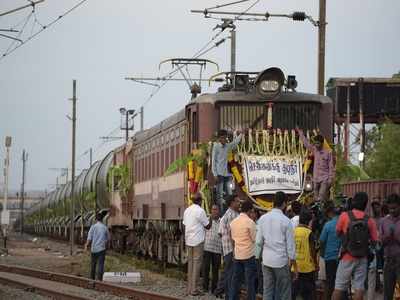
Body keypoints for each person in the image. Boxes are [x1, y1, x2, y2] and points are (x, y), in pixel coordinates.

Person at [332, 192, 378, 300]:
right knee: (359, 287)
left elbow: (337, 233)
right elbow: (375, 241)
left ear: (354, 201)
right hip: (362, 257)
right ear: (366, 204)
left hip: (346, 256)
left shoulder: (344, 216)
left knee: (339, 287)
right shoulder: (369, 220)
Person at [256, 191, 297, 300]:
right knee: (284, 292)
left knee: (268, 291)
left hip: (266, 260)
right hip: (281, 262)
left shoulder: (262, 219)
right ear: (284, 204)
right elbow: (290, 247)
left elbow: (259, 241)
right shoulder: (286, 221)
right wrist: (294, 266)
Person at [183, 192, 211, 296]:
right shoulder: (200, 211)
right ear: (200, 201)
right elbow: (207, 226)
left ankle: (189, 289)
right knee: (197, 265)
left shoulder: (187, 210)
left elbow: (184, 225)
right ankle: (194, 290)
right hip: (198, 241)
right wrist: (211, 218)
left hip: (188, 240)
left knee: (190, 264)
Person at [296, 128, 334, 202]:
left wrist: (330, 179)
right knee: (315, 198)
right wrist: (300, 133)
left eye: (318, 143)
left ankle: (321, 208)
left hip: (324, 179)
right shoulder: (314, 150)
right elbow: (306, 143)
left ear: (322, 143)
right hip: (315, 179)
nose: (316, 145)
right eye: (315, 143)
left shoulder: (328, 153)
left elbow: (331, 166)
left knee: (321, 196)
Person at [229, 200, 257, 300]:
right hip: (248, 255)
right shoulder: (250, 222)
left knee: (235, 281)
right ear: (250, 211)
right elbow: (254, 239)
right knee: (250, 282)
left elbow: (232, 239)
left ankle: (232, 298)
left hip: (237, 255)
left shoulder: (233, 223)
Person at [214, 194, 240, 299]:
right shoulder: (233, 215)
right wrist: (234, 249)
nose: (239, 203)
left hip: (226, 248)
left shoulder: (225, 215)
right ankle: (229, 296)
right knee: (231, 274)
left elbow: (220, 232)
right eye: (237, 201)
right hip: (231, 249)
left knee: (228, 272)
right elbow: (232, 233)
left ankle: (223, 293)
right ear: (232, 203)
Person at [212, 129, 242, 212]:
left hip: (226, 175)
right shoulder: (216, 146)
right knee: (220, 196)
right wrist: (215, 174)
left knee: (230, 195)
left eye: (226, 137)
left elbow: (234, 144)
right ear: (220, 138)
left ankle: (230, 212)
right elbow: (213, 161)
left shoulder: (227, 146)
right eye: (224, 138)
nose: (225, 139)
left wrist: (241, 135)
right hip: (219, 175)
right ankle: (221, 214)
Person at [292, 208, 318, 300]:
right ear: (308, 221)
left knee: (295, 291)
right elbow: (312, 251)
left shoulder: (293, 231)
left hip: (295, 266)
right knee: (308, 293)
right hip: (307, 267)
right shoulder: (309, 233)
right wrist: (316, 264)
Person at [379, 193, 400, 300]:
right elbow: (380, 242)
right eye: (390, 208)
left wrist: (396, 237)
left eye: (394, 208)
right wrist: (387, 237)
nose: (392, 211)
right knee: (387, 292)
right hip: (388, 260)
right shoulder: (383, 221)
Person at [319, 205, 341, 300]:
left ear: (330, 213)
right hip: (341, 258)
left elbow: (322, 240)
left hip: (329, 258)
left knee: (330, 282)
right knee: (340, 282)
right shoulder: (344, 224)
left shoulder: (328, 225)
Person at [202, 204, 222, 295]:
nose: (214, 211)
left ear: (219, 211)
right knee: (206, 268)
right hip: (207, 248)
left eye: (216, 209)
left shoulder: (221, 221)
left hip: (217, 249)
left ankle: (214, 288)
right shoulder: (206, 220)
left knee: (215, 270)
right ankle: (205, 287)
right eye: (213, 209)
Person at [84, 212, 110, 281]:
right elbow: (108, 239)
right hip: (102, 249)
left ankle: (92, 280)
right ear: (102, 219)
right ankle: (99, 280)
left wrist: (86, 246)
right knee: (100, 265)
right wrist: (105, 244)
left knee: (93, 265)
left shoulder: (93, 227)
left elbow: (89, 238)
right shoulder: (105, 228)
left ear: (96, 219)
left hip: (94, 249)